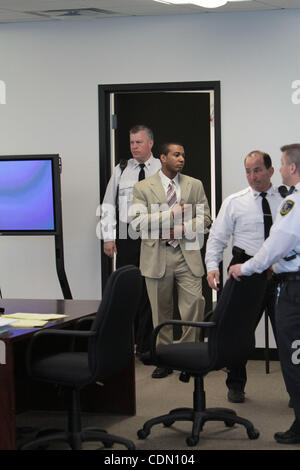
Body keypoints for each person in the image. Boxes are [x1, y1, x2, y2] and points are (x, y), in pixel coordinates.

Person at [228, 143, 300, 444]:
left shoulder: (292, 203)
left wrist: (244, 269)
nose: (281, 169)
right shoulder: (237, 201)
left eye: (283, 164)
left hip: (293, 287)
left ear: (291, 168)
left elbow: (274, 245)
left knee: (293, 355)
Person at [205, 150, 283, 403]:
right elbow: (217, 237)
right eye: (248, 171)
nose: (252, 176)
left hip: (280, 273)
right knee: (239, 332)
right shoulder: (234, 201)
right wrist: (211, 266)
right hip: (245, 270)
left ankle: (296, 389)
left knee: (290, 332)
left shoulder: (288, 200)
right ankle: (235, 384)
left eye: (257, 170)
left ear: (271, 171)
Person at [130, 142, 211, 378]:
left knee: (194, 305)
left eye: (183, 155)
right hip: (157, 255)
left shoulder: (194, 185)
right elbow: (136, 222)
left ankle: (189, 358)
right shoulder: (142, 187)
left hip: (188, 254)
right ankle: (164, 358)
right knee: (160, 311)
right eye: (176, 155)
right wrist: (170, 215)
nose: (181, 159)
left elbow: (205, 218)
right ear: (163, 158)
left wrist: (183, 228)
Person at [100, 125, 161, 355]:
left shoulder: (161, 168)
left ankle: (147, 347)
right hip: (127, 236)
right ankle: (126, 345)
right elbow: (108, 205)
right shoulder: (122, 169)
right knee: (127, 288)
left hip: (154, 235)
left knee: (151, 291)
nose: (134, 146)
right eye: (132, 142)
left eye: (139, 142)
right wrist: (108, 237)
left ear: (150, 143)